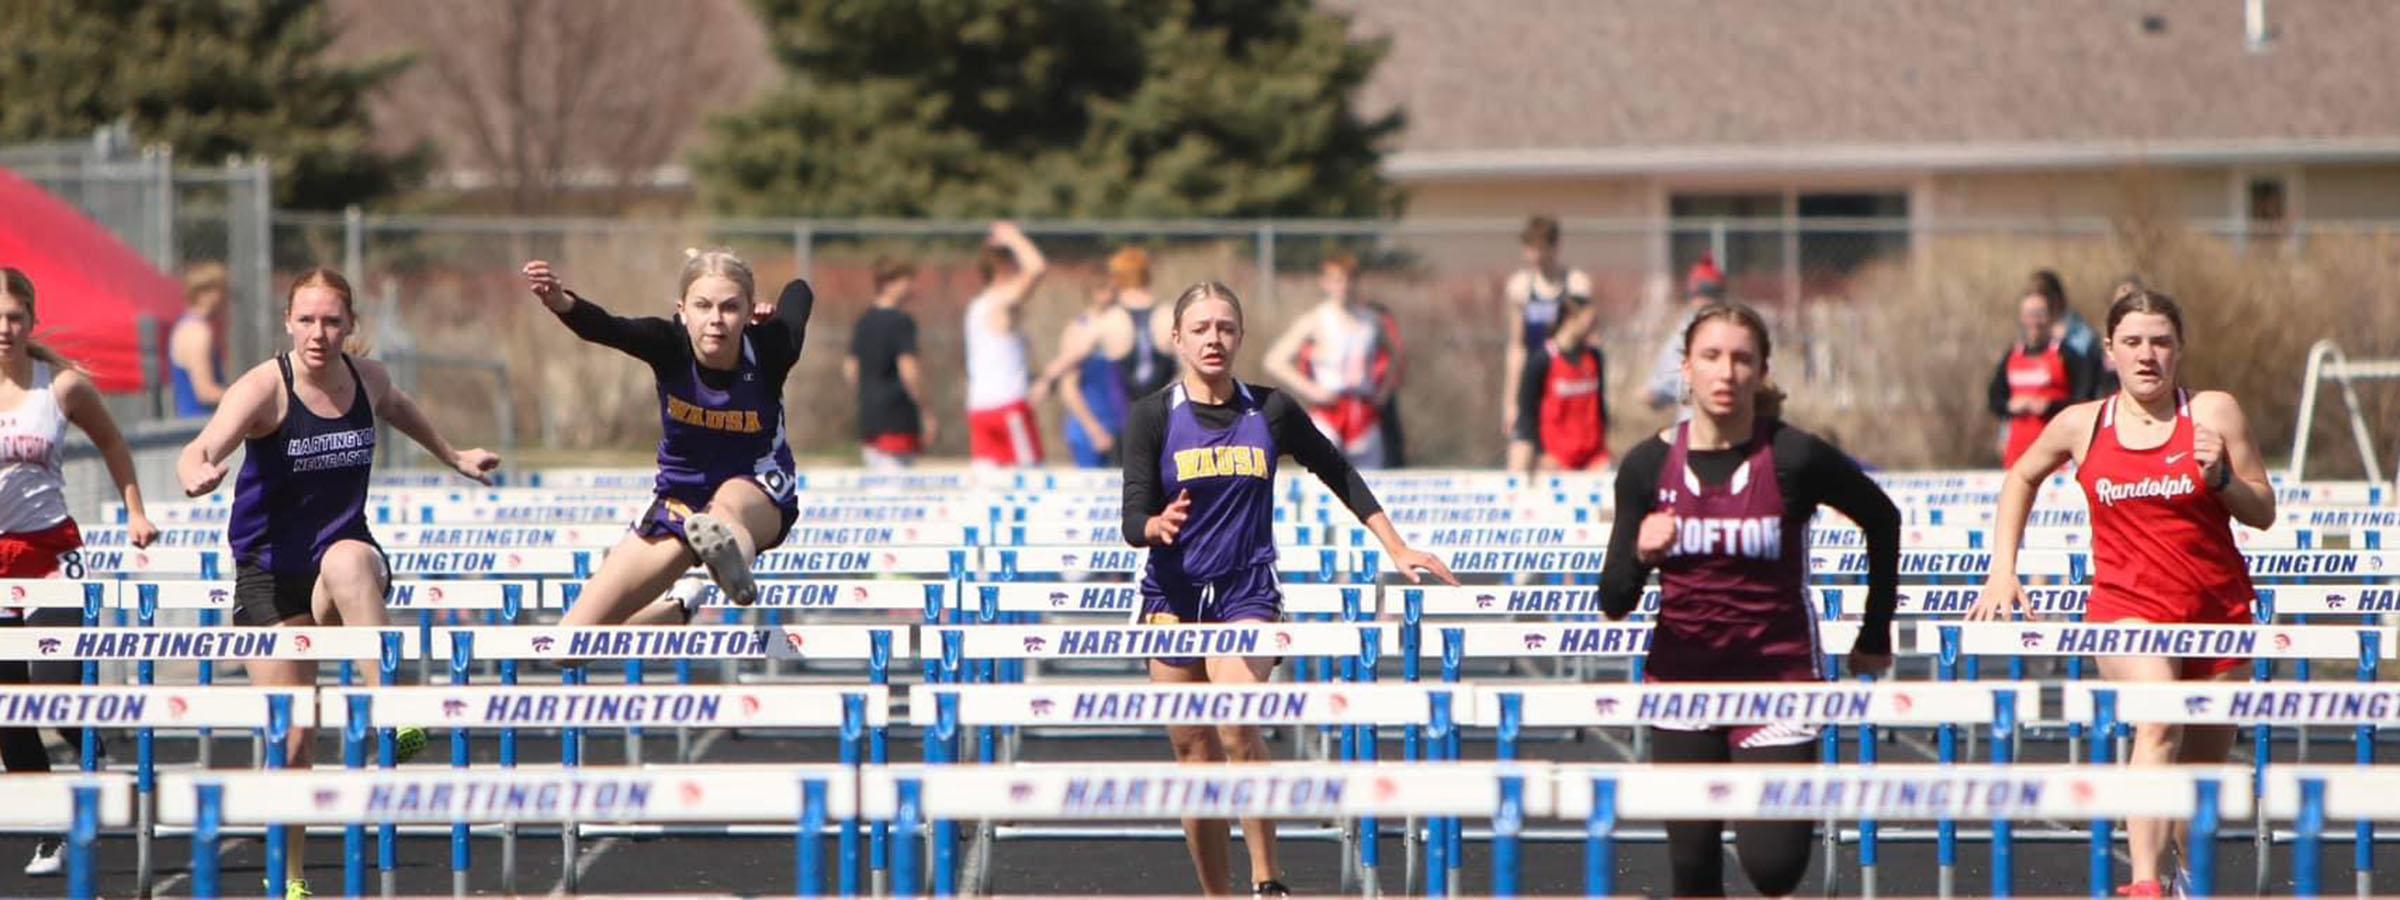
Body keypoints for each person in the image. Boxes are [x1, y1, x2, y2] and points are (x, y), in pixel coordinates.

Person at [1120, 281, 1457, 897]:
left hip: (1246, 590)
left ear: (1241, 337)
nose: (1213, 338)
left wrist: (1397, 546)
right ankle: (1217, 893)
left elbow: (1337, 468)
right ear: (1176, 338)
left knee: (1234, 722)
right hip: (1171, 596)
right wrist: (1154, 525)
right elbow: (1131, 516)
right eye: (1200, 328)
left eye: (1225, 327)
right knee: (1193, 751)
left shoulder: (1270, 411)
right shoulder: (1151, 416)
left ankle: (1268, 878)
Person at [178, 268, 494, 896]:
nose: (318, 334)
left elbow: (401, 409)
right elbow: (203, 445)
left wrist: (454, 456)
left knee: (348, 560)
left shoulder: (367, 379)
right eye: (307, 320)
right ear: (288, 322)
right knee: (296, 734)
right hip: (269, 576)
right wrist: (199, 471)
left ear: (350, 326)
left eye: (331, 321)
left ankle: (392, 711)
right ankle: (290, 878)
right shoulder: (266, 386)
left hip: (341, 563)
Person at [1970, 284, 2273, 899]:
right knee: (2158, 724)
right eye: (2132, 342)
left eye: (2161, 342)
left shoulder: (2213, 412)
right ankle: (2144, 884)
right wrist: (2003, 568)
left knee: (2198, 777)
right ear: (2108, 350)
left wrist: (2221, 482)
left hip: (2217, 611)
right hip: (2125, 610)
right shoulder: (2084, 424)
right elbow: (2021, 475)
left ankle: (2188, 877)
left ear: (2180, 349)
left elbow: (2263, 510)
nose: (2147, 355)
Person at [1596, 301, 1901, 898]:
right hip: (1684, 683)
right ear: (1685, 369)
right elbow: (1613, 600)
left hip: (1778, 677)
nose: (1726, 372)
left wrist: (1874, 634)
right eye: (1711, 357)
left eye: (1742, 359)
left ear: (1762, 371)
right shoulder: (1646, 466)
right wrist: (1639, 554)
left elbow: (1882, 519)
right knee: (1692, 870)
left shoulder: (1795, 456)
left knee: (1774, 867)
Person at [522, 251, 811, 626]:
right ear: (682, 311)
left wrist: (772, 311)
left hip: (757, 486)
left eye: (730, 308)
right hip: (681, 495)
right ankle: (681, 606)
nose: (716, 321)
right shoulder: (668, 344)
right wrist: (562, 303)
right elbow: (611, 328)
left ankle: (730, 564)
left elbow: (800, 291)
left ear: (749, 311)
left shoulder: (772, 346)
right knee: (571, 643)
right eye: (703, 306)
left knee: (724, 511)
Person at [0, 268, 161, 876]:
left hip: (51, 553)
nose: (5, 328)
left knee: (56, 681)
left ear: (31, 321)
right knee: (7, 704)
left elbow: (114, 444)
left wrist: (135, 513)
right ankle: (51, 828)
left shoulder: (60, 387)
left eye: (15, 316)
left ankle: (101, 757)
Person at [1033, 248, 1175, 468]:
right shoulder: (1170, 315)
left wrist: (1045, 380)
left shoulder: (1110, 321)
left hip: (1128, 424)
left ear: (1118, 279)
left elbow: (1071, 357)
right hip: (1163, 421)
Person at [1262, 253, 1396, 469]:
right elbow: (1275, 360)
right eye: (1336, 280)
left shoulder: (1371, 320)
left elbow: (1395, 355)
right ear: (1325, 283)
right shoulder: (1316, 319)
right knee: (1325, 478)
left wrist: (1384, 392)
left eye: (1348, 279)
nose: (1343, 286)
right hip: (1329, 410)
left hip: (1363, 410)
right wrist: (1311, 390)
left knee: (1370, 483)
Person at [963, 222, 1049, 470]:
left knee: (988, 487)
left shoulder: (975, 307)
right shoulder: (1000, 301)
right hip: (1008, 408)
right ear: (1004, 267)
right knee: (1031, 483)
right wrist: (1013, 237)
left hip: (980, 409)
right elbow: (1037, 267)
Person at [1501, 216, 1593, 441]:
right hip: (1533, 383)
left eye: (1543, 248)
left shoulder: (1576, 284)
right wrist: (1511, 402)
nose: (1538, 256)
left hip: (1565, 386)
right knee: (1521, 453)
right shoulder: (1519, 288)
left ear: (1555, 247)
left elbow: (1589, 342)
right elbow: (1517, 347)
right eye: (1532, 248)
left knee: (1566, 458)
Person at [844, 257, 934, 470]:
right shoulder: (901, 321)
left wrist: (868, 396)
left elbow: (850, 369)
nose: (913, 287)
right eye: (908, 281)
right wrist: (925, 410)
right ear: (889, 283)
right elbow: (908, 371)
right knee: (896, 490)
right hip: (897, 417)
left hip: (869, 415)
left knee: (877, 483)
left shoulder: (863, 320)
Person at [1987, 290, 2093, 467]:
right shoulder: (2012, 355)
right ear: (2022, 317)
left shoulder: (2066, 354)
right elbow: (1994, 399)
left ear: (2050, 317)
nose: (2034, 321)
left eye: (2039, 314)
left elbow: (2085, 400)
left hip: (2058, 453)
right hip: (2018, 454)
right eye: (2029, 314)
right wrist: (2010, 406)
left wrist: (2050, 406)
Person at [1508, 293, 1609, 475]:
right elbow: (1528, 412)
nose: (1593, 329)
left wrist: (1603, 447)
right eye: (1589, 322)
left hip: (1593, 457)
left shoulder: (1595, 357)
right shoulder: (1542, 359)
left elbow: (1600, 407)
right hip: (1556, 459)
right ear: (1571, 319)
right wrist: (1541, 453)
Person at [1643, 256, 1725, 413]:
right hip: (1692, 423)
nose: (1704, 301)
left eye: (1710, 294)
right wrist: (1657, 393)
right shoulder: (1684, 332)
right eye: (1699, 294)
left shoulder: (1735, 332)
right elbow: (1666, 378)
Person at [168, 263, 231, 417]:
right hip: (198, 424)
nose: (227, 297)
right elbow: (205, 392)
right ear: (206, 293)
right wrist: (250, 396)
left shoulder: (186, 326)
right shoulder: (199, 332)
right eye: (223, 290)